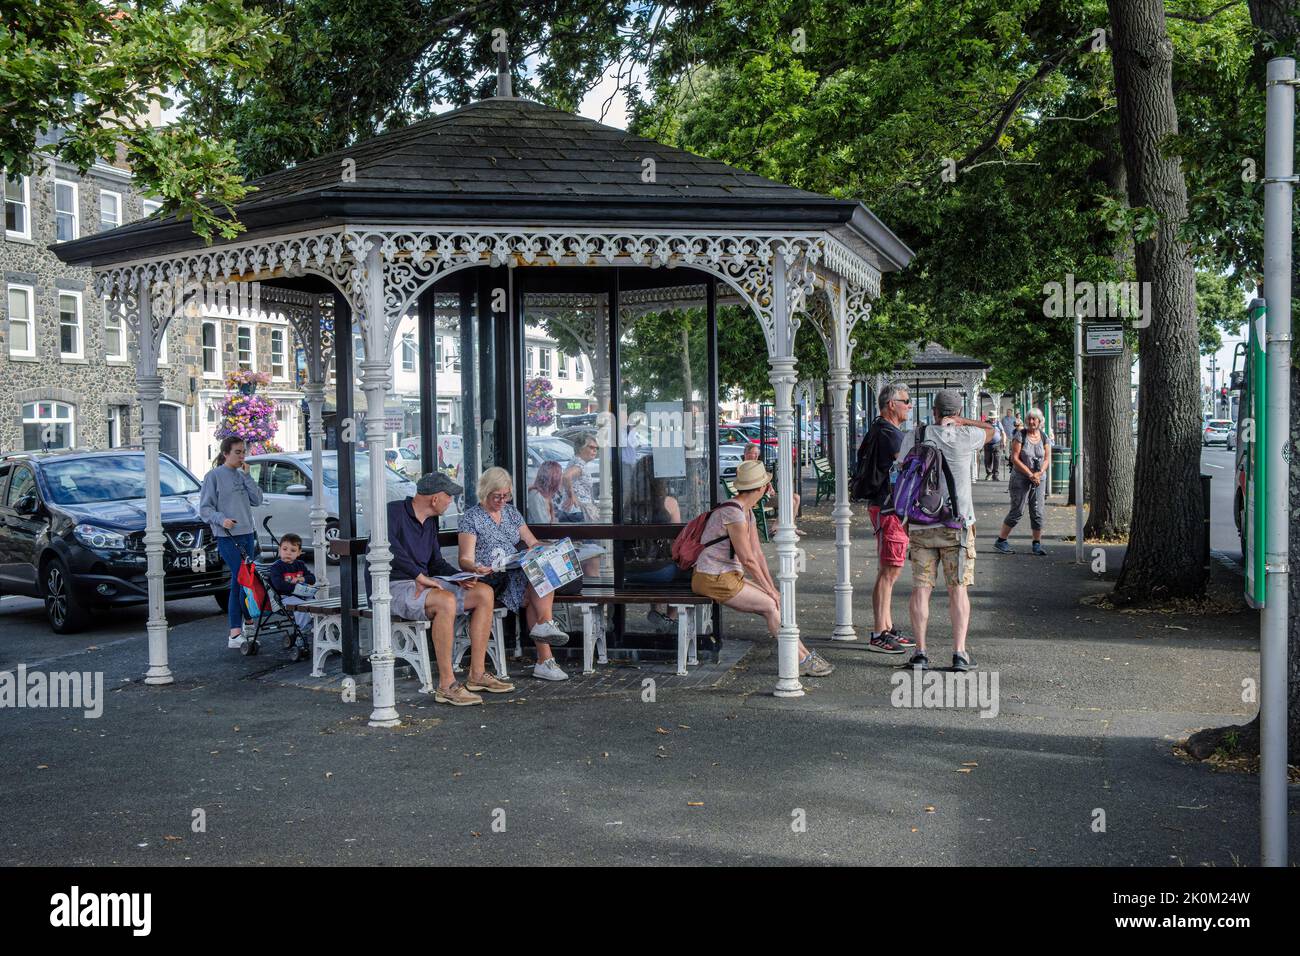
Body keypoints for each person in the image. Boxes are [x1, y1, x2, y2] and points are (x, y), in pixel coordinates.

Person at [689, 459, 834, 678]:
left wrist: (771, 587)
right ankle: (802, 659)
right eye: (767, 485)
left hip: (725, 576)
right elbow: (747, 559)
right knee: (770, 605)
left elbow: (757, 555)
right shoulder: (734, 514)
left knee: (775, 603)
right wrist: (770, 591)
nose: (770, 489)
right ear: (760, 488)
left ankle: (803, 655)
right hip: (712, 578)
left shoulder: (746, 512)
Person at [382, 473, 513, 706]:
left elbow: (436, 562)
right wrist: (418, 576)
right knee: (445, 601)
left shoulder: (431, 521)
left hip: (426, 582)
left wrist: (461, 577)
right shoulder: (394, 512)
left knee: (483, 593)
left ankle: (477, 675)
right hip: (395, 586)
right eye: (449, 496)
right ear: (435, 498)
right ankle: (446, 686)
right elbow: (389, 551)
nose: (451, 501)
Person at [897, 389, 991, 672]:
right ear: (957, 413)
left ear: (934, 411)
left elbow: (902, 467)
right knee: (958, 590)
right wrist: (966, 422)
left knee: (921, 589)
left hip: (921, 523)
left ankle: (921, 652)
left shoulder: (914, 436)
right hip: (957, 525)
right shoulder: (967, 436)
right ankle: (959, 653)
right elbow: (993, 431)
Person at [458, 467, 571, 681]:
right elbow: (465, 559)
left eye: (506, 495)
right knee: (537, 581)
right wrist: (474, 568)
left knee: (541, 571)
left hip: (515, 572)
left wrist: (542, 549)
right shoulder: (471, 517)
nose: (502, 500)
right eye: (497, 496)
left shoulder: (511, 512)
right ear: (485, 492)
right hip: (491, 576)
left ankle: (545, 644)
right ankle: (545, 650)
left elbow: (532, 542)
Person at [853, 383, 916, 654]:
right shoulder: (890, 435)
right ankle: (879, 632)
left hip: (884, 507)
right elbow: (910, 465)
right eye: (905, 401)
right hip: (888, 508)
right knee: (890, 570)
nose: (909, 405)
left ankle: (886, 627)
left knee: (888, 568)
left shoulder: (880, 429)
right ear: (892, 404)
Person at [199, 437, 264, 649]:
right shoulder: (214, 477)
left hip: (247, 533)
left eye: (243, 451)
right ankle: (235, 632)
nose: (242, 456)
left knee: (248, 580)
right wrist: (221, 519)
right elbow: (205, 509)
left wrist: (247, 476)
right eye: (237, 452)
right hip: (228, 536)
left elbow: (257, 499)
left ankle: (247, 625)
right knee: (239, 579)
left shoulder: (242, 474)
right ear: (225, 453)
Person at [995, 408, 1051, 556]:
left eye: (1034, 419)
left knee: (1038, 511)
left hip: (1039, 478)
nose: (1031, 421)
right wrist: (1029, 473)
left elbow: (1047, 459)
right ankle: (1001, 540)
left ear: (1039, 421)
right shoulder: (1021, 436)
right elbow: (1015, 458)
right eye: (1029, 419)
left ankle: (1036, 544)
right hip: (1020, 477)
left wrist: (1039, 473)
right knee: (1017, 510)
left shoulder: (1044, 437)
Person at [266, 532, 316, 632]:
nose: (288, 552)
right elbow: (278, 585)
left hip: (303, 595)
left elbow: (312, 578)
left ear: (299, 552)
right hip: (285, 597)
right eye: (285, 549)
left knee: (316, 604)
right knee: (302, 607)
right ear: (279, 550)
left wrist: (301, 579)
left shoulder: (300, 564)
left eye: (293, 550)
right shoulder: (276, 567)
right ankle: (303, 630)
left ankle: (317, 625)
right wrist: (295, 587)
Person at [742, 442, 800, 518]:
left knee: (797, 497)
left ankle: (792, 526)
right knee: (791, 502)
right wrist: (766, 490)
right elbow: (751, 486)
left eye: (757, 453)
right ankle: (777, 526)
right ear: (747, 454)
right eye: (754, 453)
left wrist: (770, 487)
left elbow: (765, 479)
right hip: (758, 499)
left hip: (766, 495)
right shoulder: (744, 468)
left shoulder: (756, 465)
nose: (756, 456)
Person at [560, 432, 599, 521]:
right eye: (591, 447)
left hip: (571, 511)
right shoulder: (579, 464)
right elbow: (566, 476)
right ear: (581, 448)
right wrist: (571, 496)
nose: (595, 451)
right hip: (577, 512)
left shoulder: (574, 461)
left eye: (596, 448)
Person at [527, 459, 564, 524]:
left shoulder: (548, 495)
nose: (561, 479)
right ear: (554, 479)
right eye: (560, 476)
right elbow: (543, 525)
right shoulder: (535, 496)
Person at [982, 414, 1003, 481]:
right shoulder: (986, 423)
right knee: (987, 460)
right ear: (989, 418)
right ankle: (989, 473)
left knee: (997, 460)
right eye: (992, 418)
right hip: (987, 444)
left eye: (994, 418)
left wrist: (1004, 441)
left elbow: (1003, 432)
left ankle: (995, 475)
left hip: (997, 443)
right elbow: (982, 433)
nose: (993, 420)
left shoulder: (998, 423)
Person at [1000, 408, 1017, 472]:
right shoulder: (1004, 419)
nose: (1008, 413)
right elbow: (1001, 427)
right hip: (1006, 436)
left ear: (1011, 413)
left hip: (1013, 435)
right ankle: (1007, 457)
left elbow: (1016, 426)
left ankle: (1012, 457)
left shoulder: (1014, 419)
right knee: (1006, 447)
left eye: (1009, 412)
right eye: (1007, 412)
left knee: (1012, 448)